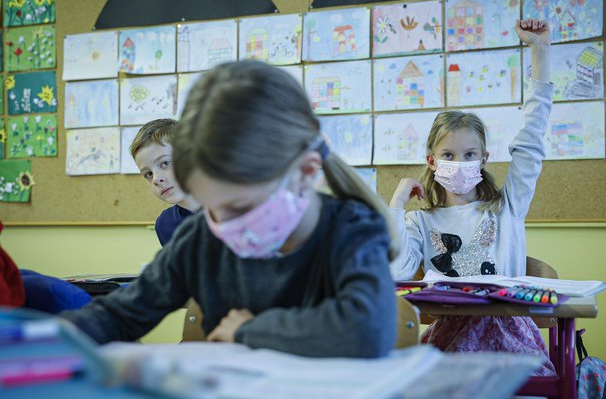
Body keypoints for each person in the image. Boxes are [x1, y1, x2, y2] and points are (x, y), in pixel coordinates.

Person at [61, 60, 398, 358]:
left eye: (239, 207)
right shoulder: (199, 237)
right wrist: (39, 339)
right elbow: (121, 313)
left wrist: (248, 331)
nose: (222, 225)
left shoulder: (352, 229)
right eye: (209, 205)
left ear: (305, 173)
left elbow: (365, 331)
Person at [388, 19, 555, 375]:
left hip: (509, 338)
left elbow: (531, 145)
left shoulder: (507, 207)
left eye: (469, 155)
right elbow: (398, 273)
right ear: (432, 162)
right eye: (448, 155)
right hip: (450, 338)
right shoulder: (420, 221)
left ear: (483, 159)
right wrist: (397, 205)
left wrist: (539, 53)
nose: (459, 164)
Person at [130, 118, 201, 246]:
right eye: (149, 174)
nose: (156, 179)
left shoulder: (235, 207)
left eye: (165, 163)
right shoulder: (164, 224)